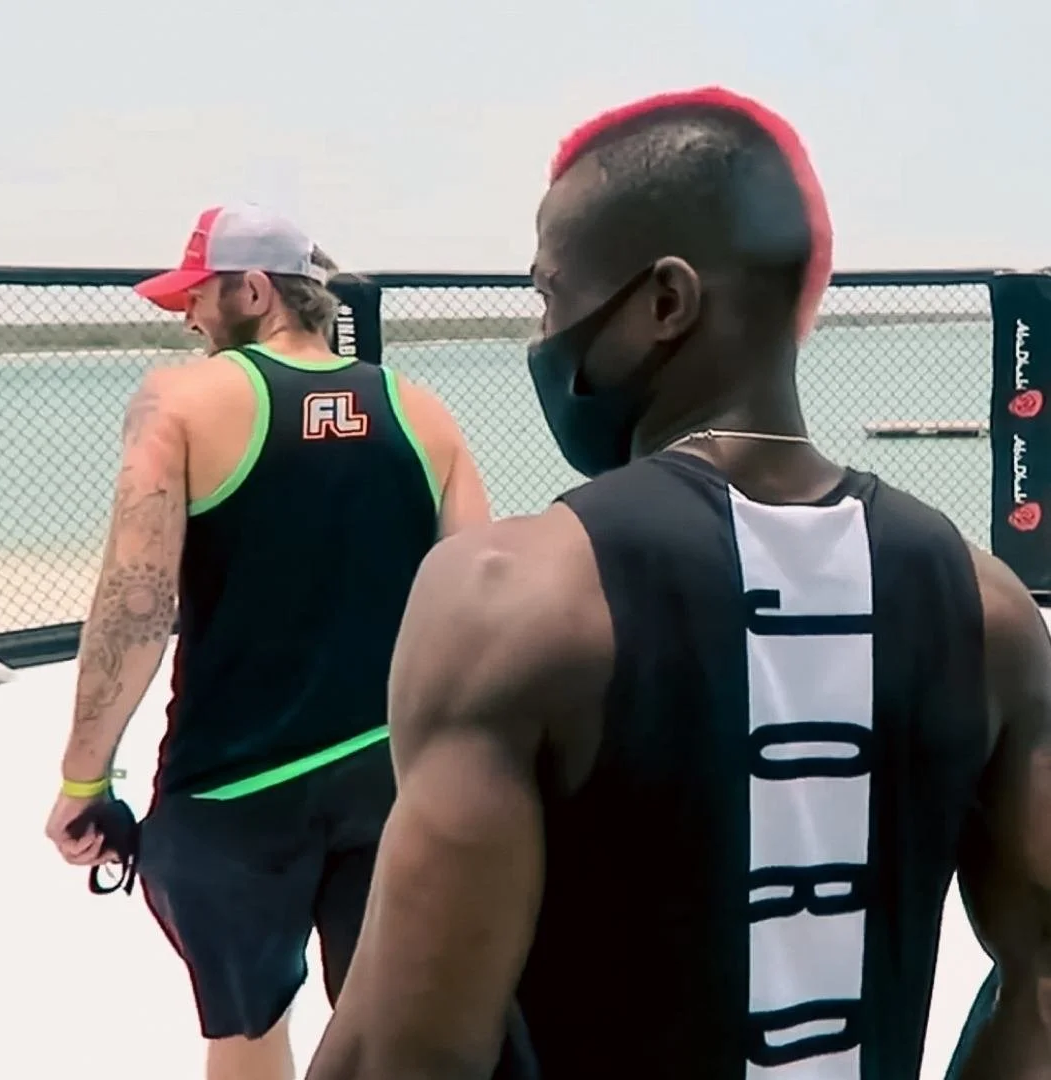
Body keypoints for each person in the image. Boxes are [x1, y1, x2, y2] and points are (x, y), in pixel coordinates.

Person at [304, 89, 1051, 1080]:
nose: (542, 336)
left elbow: (408, 1056)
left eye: (550, 296)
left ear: (665, 301)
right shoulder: (989, 607)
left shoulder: (511, 598)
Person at [43, 203, 491, 1080]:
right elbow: (476, 600)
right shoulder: (418, 408)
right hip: (392, 770)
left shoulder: (179, 401)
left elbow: (136, 602)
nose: (189, 318)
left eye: (198, 296)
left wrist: (83, 779)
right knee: (396, 1020)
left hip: (234, 793)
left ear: (253, 290)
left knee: (248, 1030)